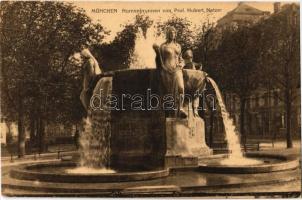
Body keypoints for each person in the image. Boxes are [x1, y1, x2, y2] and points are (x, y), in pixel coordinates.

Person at [153, 27, 187, 118]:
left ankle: (180, 108)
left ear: (175, 34)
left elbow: (181, 58)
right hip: (166, 70)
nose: (172, 34)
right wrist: (157, 52)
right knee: (168, 92)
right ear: (168, 34)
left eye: (174, 33)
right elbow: (159, 60)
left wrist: (182, 64)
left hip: (177, 69)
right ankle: (169, 110)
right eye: (170, 33)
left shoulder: (178, 46)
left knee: (181, 88)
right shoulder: (163, 46)